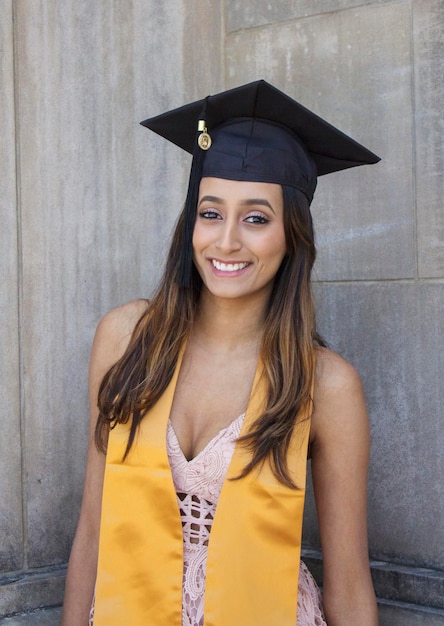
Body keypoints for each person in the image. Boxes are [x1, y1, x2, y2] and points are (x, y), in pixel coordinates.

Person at [61, 80, 380, 626]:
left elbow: (348, 585)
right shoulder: (126, 338)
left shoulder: (323, 385)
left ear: (292, 236)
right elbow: (93, 526)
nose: (227, 240)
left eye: (256, 218)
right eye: (211, 214)